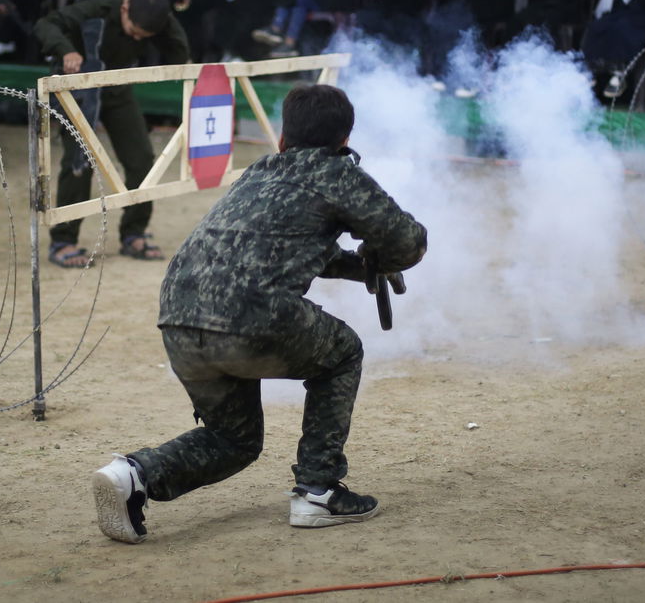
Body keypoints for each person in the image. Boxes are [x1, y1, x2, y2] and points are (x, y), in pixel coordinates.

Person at [90, 83, 428, 543]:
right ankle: (318, 491)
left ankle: (132, 475)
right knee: (344, 353)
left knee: (234, 441)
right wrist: (380, 254)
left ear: (282, 139)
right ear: (344, 141)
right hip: (252, 319)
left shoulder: (259, 174)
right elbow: (408, 242)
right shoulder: (336, 172)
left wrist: (358, 265)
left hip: (179, 317)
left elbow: (286, 248)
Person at [34, 0, 191, 267]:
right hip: (77, 88)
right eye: (134, 31)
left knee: (142, 158)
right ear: (124, 8)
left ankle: (134, 233)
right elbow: (45, 24)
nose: (136, 38)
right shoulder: (98, 5)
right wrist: (66, 50)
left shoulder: (153, 17)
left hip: (117, 89)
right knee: (79, 161)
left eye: (144, 38)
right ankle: (64, 241)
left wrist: (164, 9)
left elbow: (180, 54)